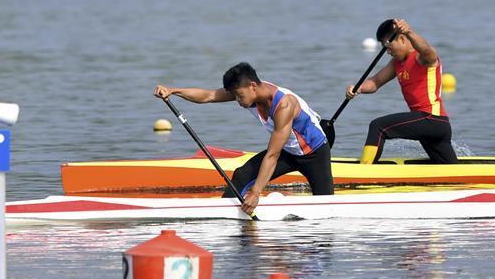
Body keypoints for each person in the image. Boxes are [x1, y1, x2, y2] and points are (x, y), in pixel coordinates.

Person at [154, 62, 333, 215]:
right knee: (242, 174)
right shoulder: (248, 91)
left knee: (325, 207)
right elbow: (208, 96)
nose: (238, 101)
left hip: (314, 153)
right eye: (235, 96)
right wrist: (172, 90)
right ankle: (224, 216)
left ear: (253, 86)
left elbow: (272, 155)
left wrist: (256, 192)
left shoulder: (284, 105)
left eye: (239, 96)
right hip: (288, 151)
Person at [345, 18, 457, 165]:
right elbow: (375, 82)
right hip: (429, 125)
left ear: (403, 39)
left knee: (378, 126)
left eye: (388, 45)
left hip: (431, 119)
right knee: (448, 168)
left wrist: (409, 31)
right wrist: (358, 88)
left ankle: (364, 169)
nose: (388, 51)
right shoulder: (396, 64)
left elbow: (428, 51)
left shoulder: (421, 57)